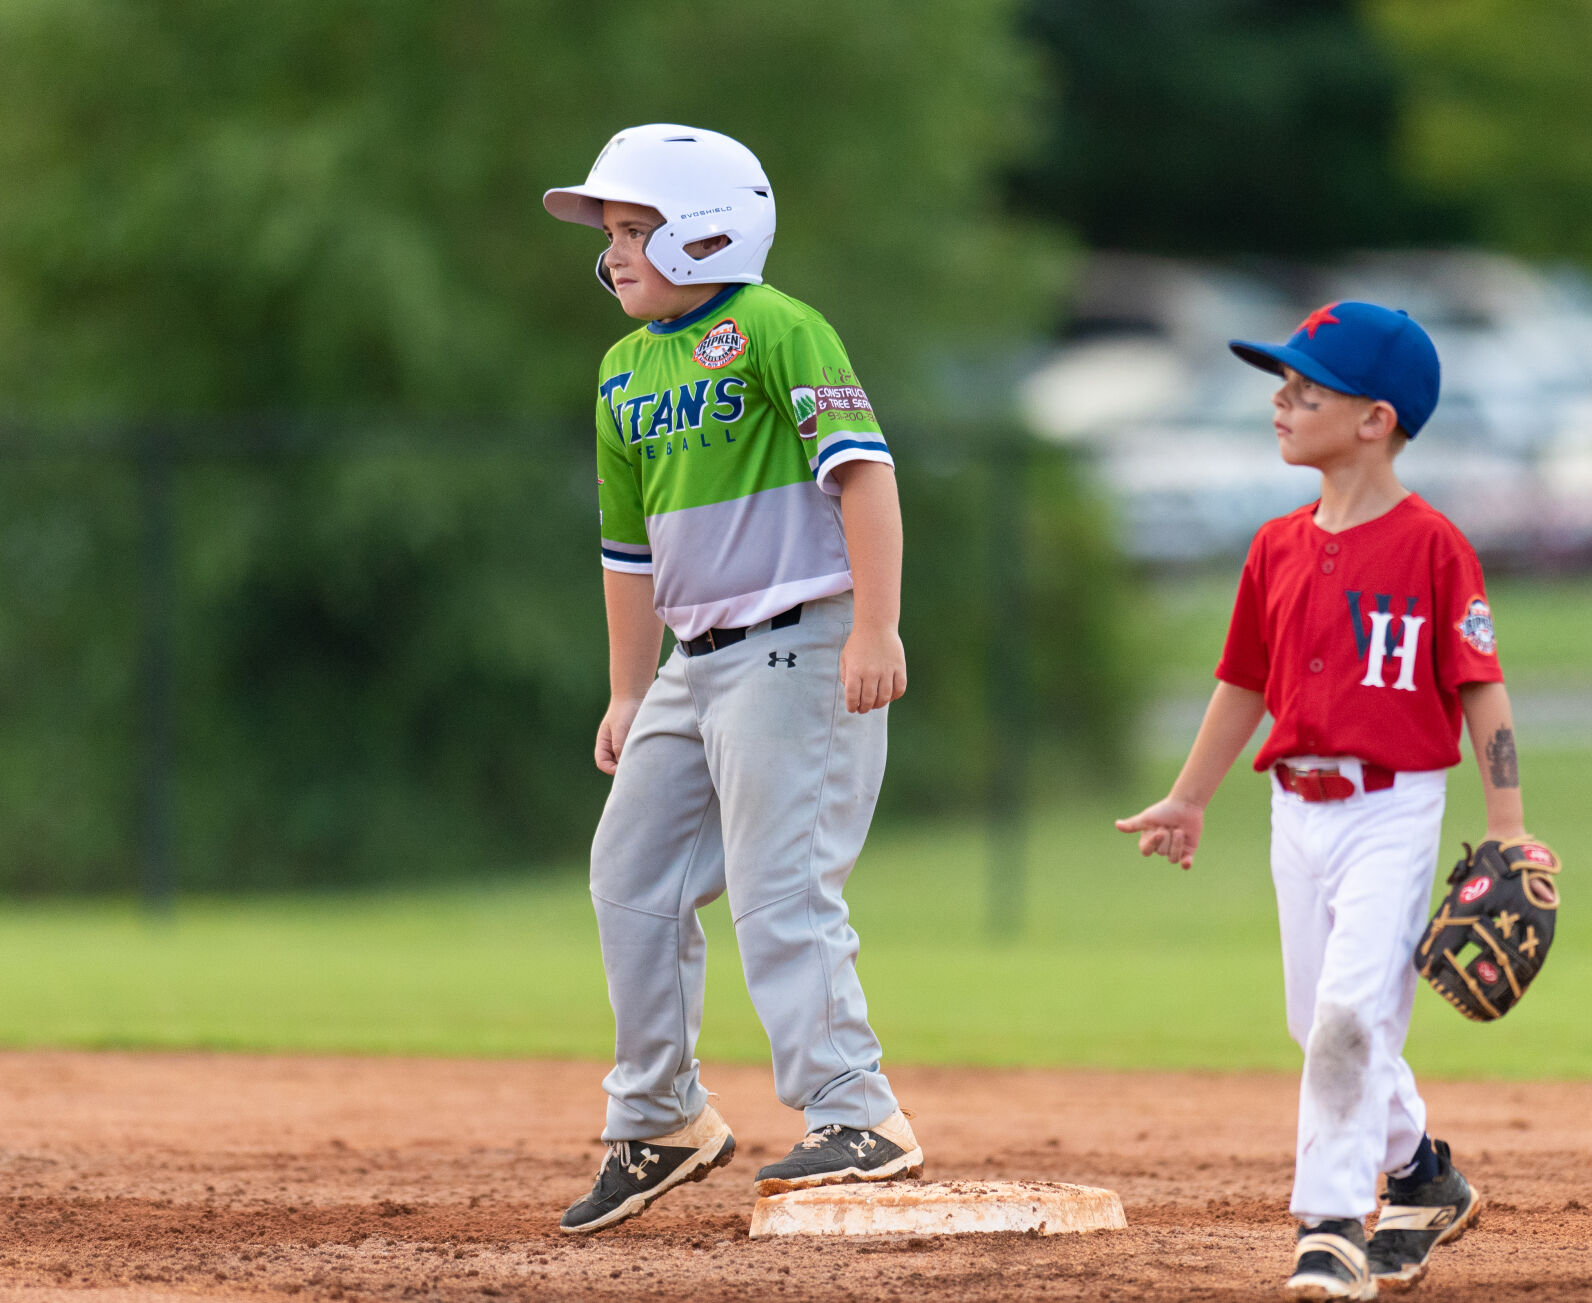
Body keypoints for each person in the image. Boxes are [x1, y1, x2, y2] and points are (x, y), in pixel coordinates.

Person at [542, 124, 922, 1236]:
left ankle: (858, 1110)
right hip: (689, 664)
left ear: (708, 230)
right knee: (628, 873)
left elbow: (862, 478)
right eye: (608, 235)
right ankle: (659, 1116)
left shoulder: (775, 328)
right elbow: (628, 553)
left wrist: (875, 627)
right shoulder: (624, 369)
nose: (611, 254)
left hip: (795, 641)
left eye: (631, 229)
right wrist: (625, 690)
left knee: (778, 883)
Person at [1115, 302, 1519, 1298]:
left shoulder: (1431, 546)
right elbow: (1241, 683)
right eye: (1281, 381)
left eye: (1306, 386)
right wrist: (1186, 797)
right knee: (1321, 1025)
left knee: (1345, 1018)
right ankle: (1422, 1175)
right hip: (1292, 811)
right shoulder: (1273, 546)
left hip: (1392, 806)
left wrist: (1506, 831)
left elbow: (1479, 686)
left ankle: (1330, 1227)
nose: (1279, 400)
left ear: (1374, 418)